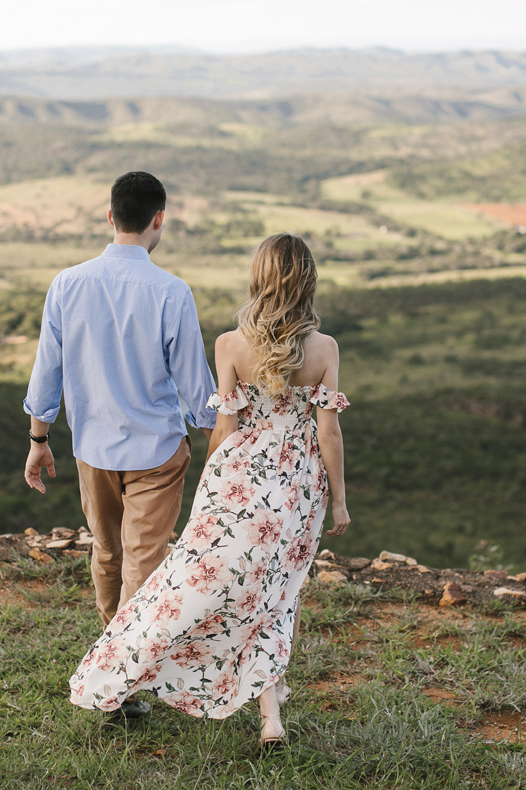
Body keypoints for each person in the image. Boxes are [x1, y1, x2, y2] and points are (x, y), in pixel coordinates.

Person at [69, 232, 351, 749]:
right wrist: (339, 500)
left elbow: (224, 428)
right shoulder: (324, 349)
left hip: (238, 481)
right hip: (297, 485)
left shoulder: (230, 344)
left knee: (188, 584)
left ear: (258, 279)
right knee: (277, 592)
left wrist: (210, 490)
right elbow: (328, 433)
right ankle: (270, 715)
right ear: (308, 281)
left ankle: (125, 668)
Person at [23, 171, 218, 720]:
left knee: (107, 553)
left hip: (92, 450)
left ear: (110, 217)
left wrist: (39, 439)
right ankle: (122, 677)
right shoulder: (172, 292)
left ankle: (115, 667)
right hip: (157, 453)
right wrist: (221, 445)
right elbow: (196, 387)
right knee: (144, 563)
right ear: (159, 220)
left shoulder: (67, 284)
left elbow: (47, 370)